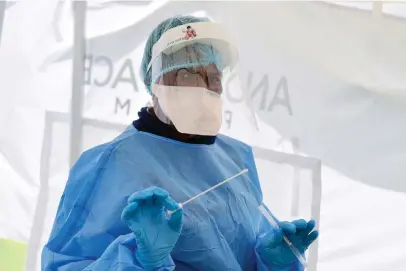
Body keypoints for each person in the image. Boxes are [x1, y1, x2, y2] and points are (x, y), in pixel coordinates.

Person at [41, 15, 318, 271]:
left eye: (213, 77)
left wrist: (271, 262)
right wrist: (142, 261)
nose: (204, 88)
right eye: (186, 75)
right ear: (155, 83)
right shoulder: (107, 165)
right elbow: (64, 265)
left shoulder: (235, 158)